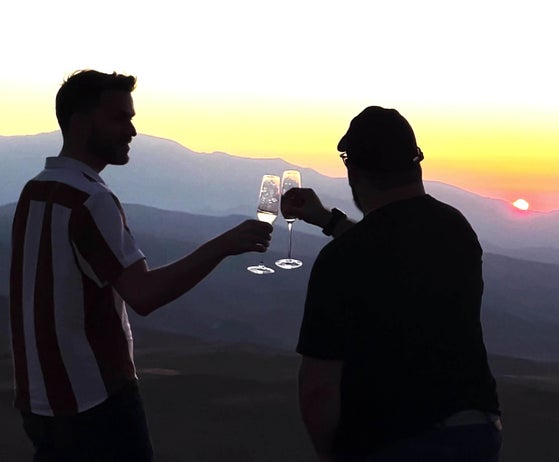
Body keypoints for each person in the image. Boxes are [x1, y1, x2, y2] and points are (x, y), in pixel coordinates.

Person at [9, 70, 273, 461]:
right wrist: (224, 245)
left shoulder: (35, 191)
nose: (132, 131)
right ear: (82, 122)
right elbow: (144, 295)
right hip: (95, 401)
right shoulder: (90, 200)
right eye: (120, 118)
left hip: (39, 402)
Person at [282, 106, 502, 461]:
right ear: (417, 162)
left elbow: (318, 389)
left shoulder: (342, 261)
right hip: (475, 431)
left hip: (390, 439)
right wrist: (327, 220)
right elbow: (392, 249)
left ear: (353, 170)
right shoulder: (456, 229)